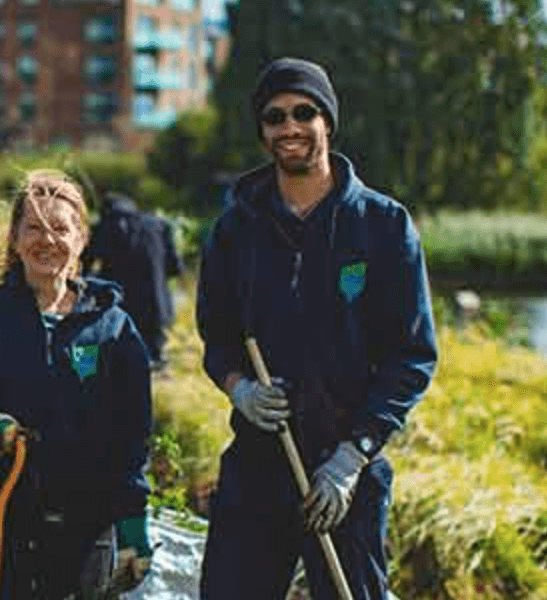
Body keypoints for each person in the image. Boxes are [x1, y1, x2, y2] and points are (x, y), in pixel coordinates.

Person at [194, 57, 438, 600]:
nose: (290, 127)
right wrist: (241, 389)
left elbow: (412, 357)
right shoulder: (235, 230)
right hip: (258, 467)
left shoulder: (383, 226)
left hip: (346, 472)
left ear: (328, 121)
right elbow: (218, 338)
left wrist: (353, 456)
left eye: (304, 113)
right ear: (262, 131)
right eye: (275, 117)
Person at [0, 169, 154, 599]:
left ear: (81, 239)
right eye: (33, 228)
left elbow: (133, 434)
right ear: (15, 240)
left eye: (60, 228)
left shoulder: (112, 327)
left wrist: (133, 519)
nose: (46, 240)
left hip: (84, 528)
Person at [81, 192, 186, 371]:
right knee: (153, 358)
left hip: (119, 309)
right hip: (157, 308)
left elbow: (84, 267)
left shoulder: (105, 226)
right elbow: (175, 268)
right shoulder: (159, 225)